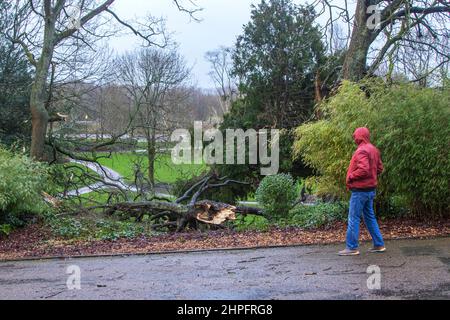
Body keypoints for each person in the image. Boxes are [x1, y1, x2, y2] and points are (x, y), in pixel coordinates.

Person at [339, 127, 386, 256]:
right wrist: (372, 176)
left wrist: (350, 176)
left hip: (360, 191)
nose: (354, 138)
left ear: (359, 136)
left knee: (353, 218)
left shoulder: (361, 150)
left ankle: (352, 247)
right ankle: (379, 244)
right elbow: (380, 168)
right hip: (370, 190)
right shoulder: (374, 149)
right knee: (370, 217)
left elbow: (363, 169)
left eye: (355, 135)